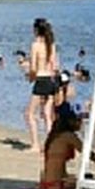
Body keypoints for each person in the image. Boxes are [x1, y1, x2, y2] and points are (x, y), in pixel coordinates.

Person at [24, 17, 61, 153]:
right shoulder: (51, 45)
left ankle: (35, 144)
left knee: (30, 113)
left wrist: (30, 77)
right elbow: (56, 66)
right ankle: (51, 144)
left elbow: (33, 67)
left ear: (35, 30)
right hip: (51, 80)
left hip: (41, 80)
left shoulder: (36, 45)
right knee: (47, 114)